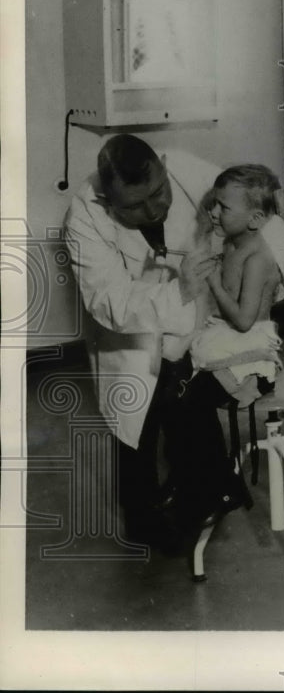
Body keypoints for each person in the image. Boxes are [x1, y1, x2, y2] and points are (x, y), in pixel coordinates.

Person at [63, 134, 235, 548]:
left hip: (195, 314)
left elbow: (252, 214)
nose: (155, 208)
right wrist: (178, 293)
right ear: (108, 201)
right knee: (136, 421)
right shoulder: (84, 218)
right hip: (129, 333)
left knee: (188, 398)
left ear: (161, 164)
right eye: (135, 206)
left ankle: (198, 494)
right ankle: (141, 516)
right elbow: (110, 301)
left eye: (158, 192)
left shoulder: (191, 169)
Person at [189, 164, 284, 408]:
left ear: (254, 219)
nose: (213, 212)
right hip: (229, 338)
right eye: (214, 204)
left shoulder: (257, 260)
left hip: (250, 355)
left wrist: (215, 284)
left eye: (223, 208)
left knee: (186, 397)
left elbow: (245, 322)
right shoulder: (231, 244)